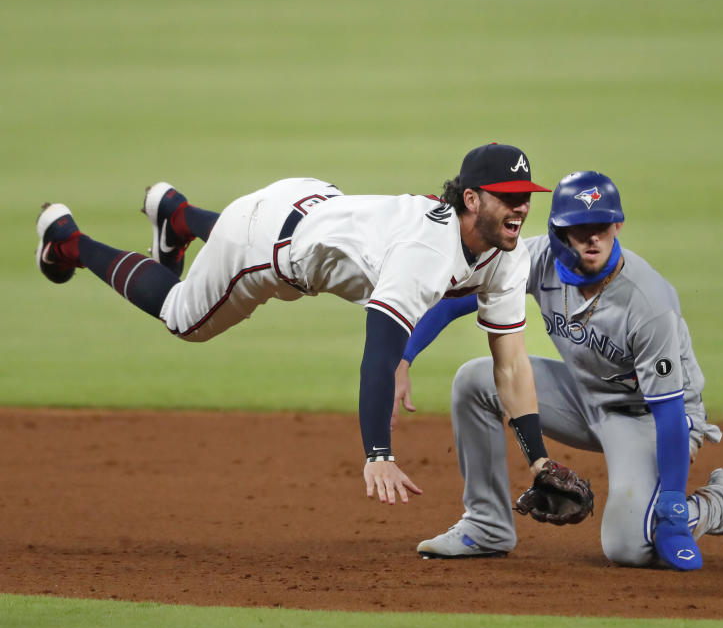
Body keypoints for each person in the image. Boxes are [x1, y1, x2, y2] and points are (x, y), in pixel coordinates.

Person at [34, 142, 586, 508]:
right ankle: (68, 241)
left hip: (310, 200)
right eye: (507, 198)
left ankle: (177, 216)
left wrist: (537, 458)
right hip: (266, 245)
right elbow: (378, 349)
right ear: (471, 199)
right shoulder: (426, 253)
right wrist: (379, 454)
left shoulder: (504, 253)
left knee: (238, 239)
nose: (520, 210)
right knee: (183, 318)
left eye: (525, 199)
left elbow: (510, 362)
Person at [396, 171, 723, 568]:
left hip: (648, 417)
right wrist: (403, 357)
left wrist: (671, 506)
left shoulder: (648, 302)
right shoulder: (539, 258)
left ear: (617, 224)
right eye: (580, 229)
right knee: (475, 380)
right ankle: (486, 525)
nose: (593, 238)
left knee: (629, 547)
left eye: (601, 226)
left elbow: (669, 412)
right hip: (584, 396)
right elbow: (454, 298)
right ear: (559, 231)